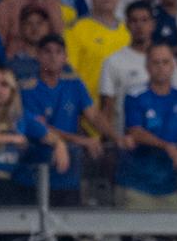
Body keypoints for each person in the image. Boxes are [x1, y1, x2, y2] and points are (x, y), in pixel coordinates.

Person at [19, 33, 121, 206]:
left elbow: (94, 116)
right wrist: (82, 141)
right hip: (36, 171)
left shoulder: (74, 84)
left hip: (69, 173)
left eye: (58, 52)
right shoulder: (27, 89)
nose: (53, 57)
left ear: (65, 57)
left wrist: (117, 138)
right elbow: (40, 128)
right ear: (38, 55)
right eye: (47, 52)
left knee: (68, 225)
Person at [120, 44, 177, 210]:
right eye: (156, 63)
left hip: (172, 185)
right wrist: (168, 147)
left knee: (173, 235)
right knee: (140, 234)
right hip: (139, 184)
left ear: (173, 65)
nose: (161, 67)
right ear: (147, 66)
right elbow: (136, 131)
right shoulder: (135, 95)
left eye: (165, 62)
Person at [0, 66, 69, 205]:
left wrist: (60, 145)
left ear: (12, 90)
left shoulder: (21, 116)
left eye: (4, 85)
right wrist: (14, 138)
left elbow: (49, 136)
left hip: (8, 182)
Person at [100, 1, 177, 134]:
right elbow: (107, 108)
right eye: (134, 21)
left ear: (153, 24)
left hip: (167, 137)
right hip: (127, 141)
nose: (139, 26)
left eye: (144, 20)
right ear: (126, 24)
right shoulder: (112, 61)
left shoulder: (168, 59)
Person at [65, 0, 130, 104]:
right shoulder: (75, 29)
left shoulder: (130, 30)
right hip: (87, 115)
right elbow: (69, 77)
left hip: (127, 115)